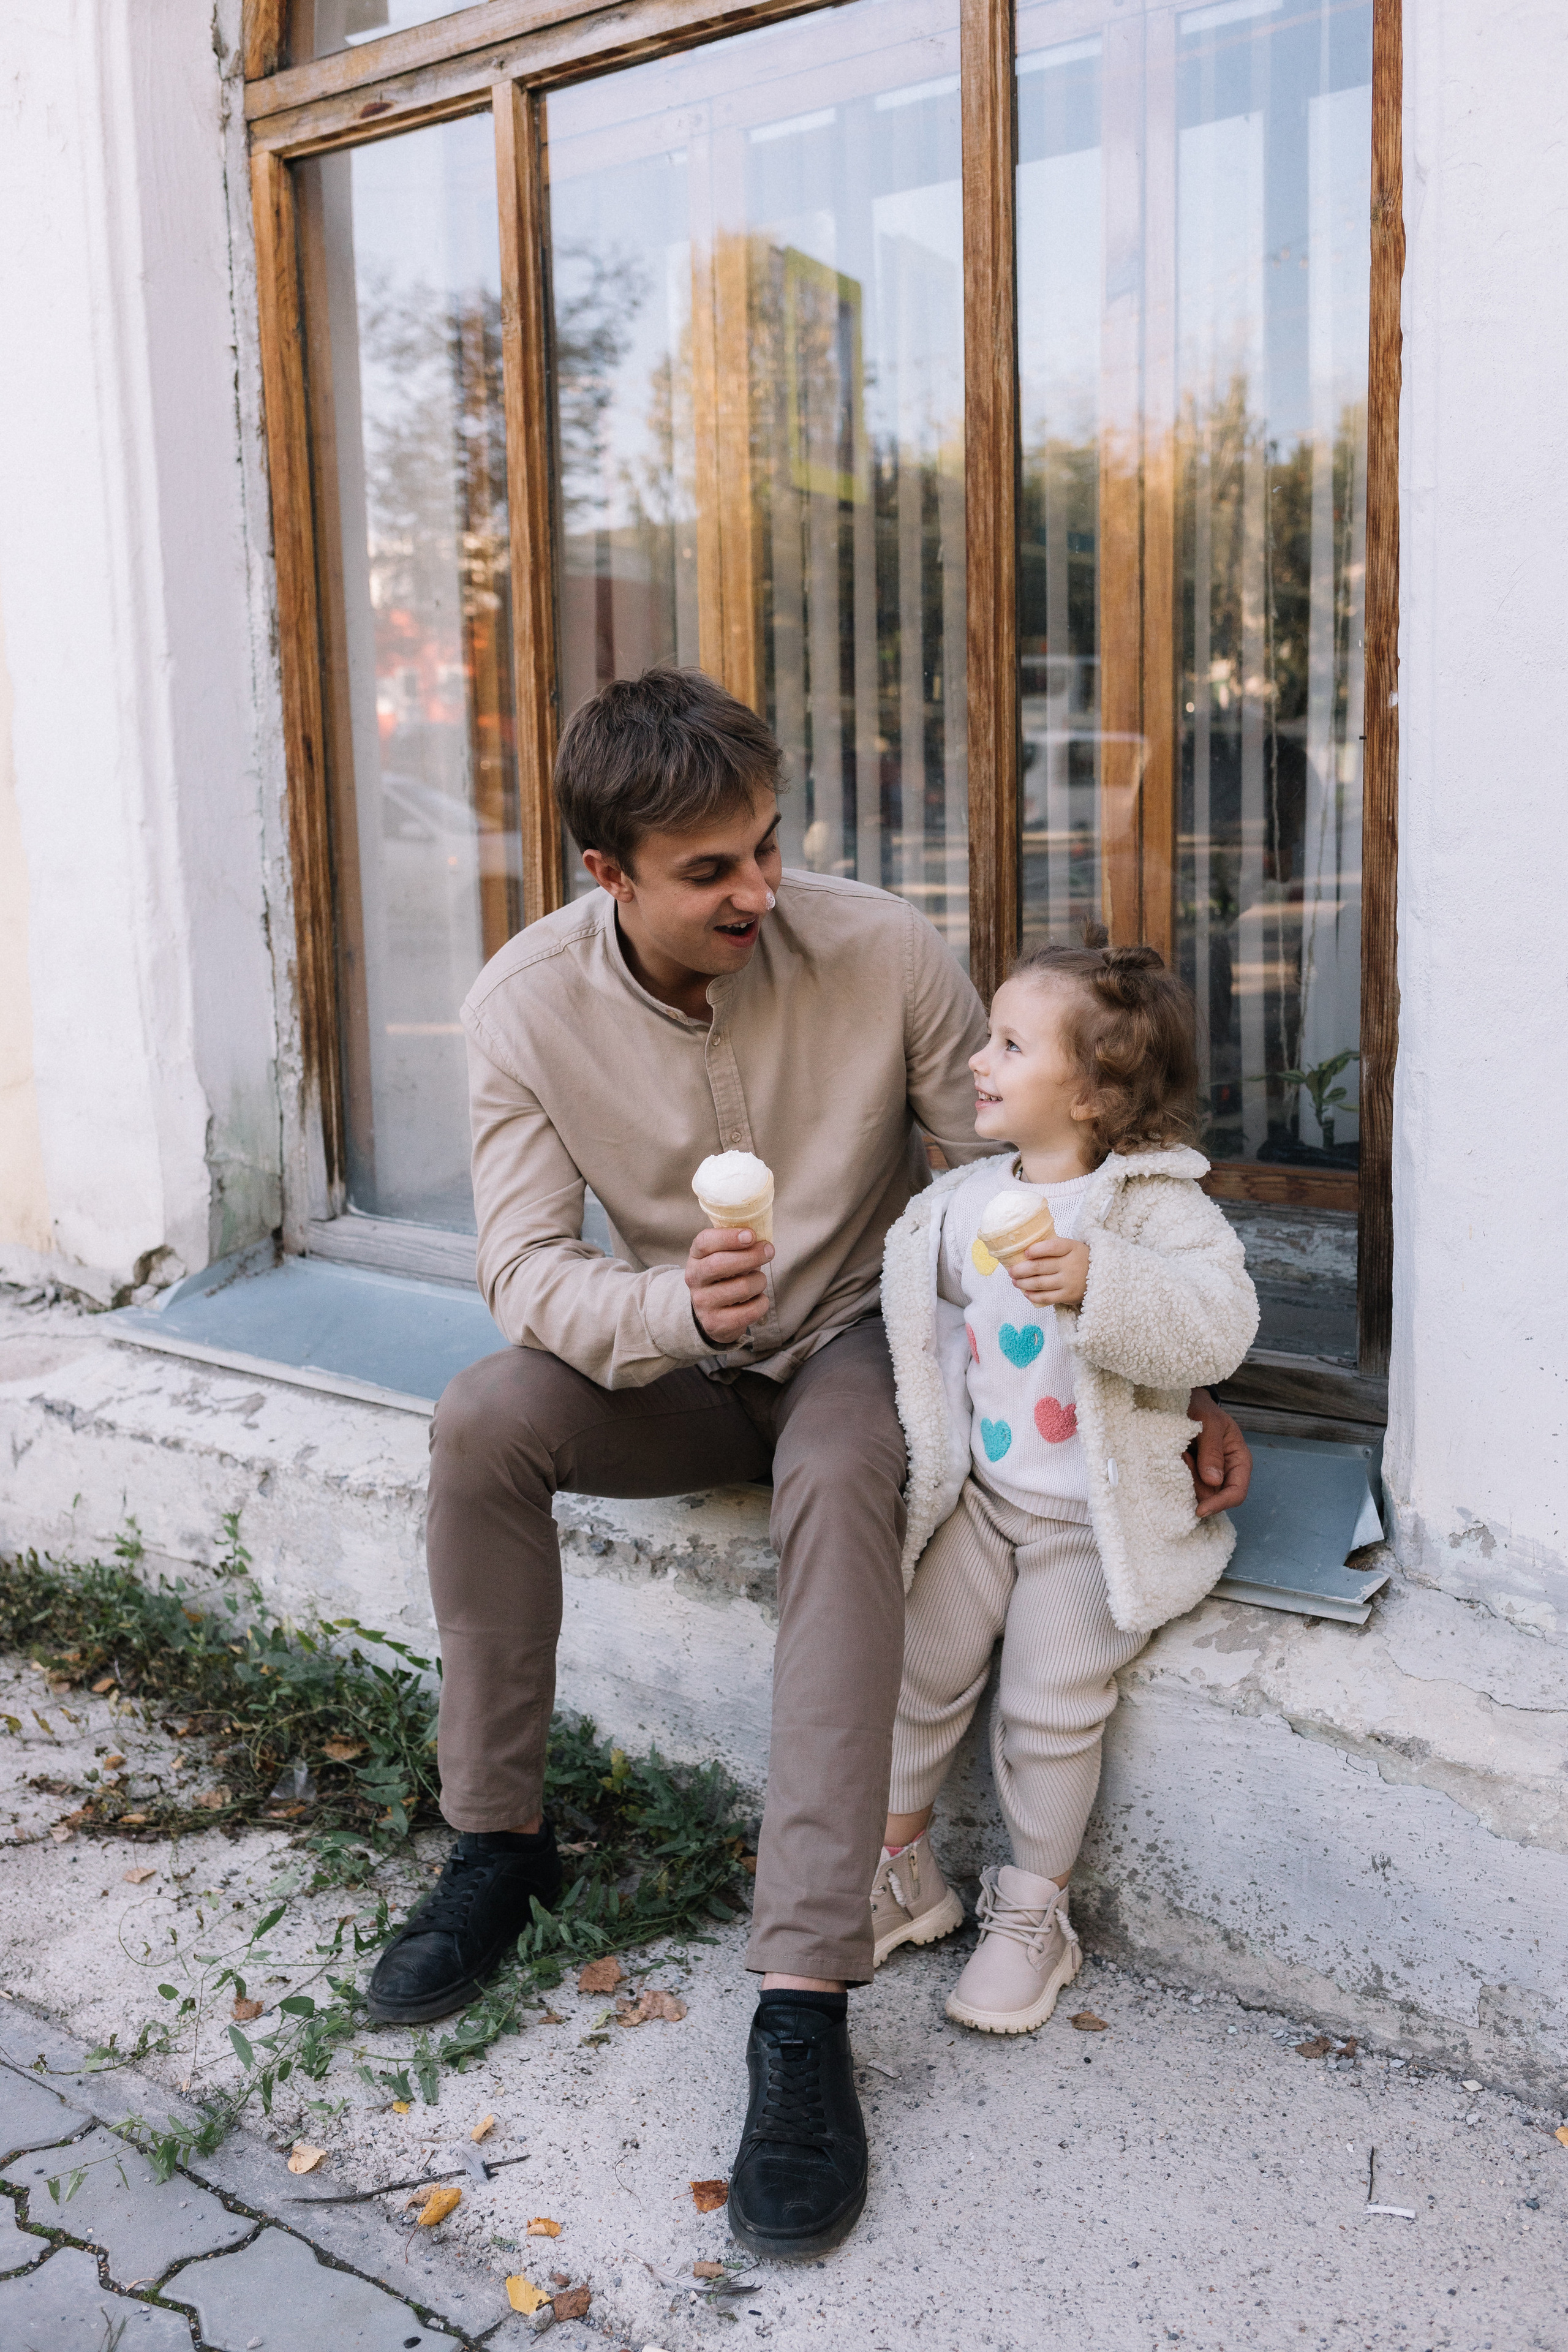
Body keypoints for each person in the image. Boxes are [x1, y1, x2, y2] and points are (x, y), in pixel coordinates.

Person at [364, 669, 1254, 2258]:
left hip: (864, 1343)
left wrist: (1142, 1377)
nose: (758, 892)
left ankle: (801, 1996)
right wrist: (663, 1304)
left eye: (770, 848)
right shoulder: (521, 1008)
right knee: (482, 1418)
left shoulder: (885, 953)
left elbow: (1029, 1190)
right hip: (675, 1362)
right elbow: (519, 1275)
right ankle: (499, 1842)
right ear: (607, 876)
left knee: (845, 1482)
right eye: (712, 871)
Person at [870, 937, 1260, 2034]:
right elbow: (912, 1310)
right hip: (985, 1500)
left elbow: (1220, 1325)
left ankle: (1034, 1918)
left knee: (1051, 1709)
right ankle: (903, 1874)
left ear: (1092, 1094)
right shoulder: (963, 1203)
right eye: (987, 1038)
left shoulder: (1150, 1213)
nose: (978, 1060)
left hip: (1094, 1523)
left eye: (1008, 1045)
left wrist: (1106, 1283)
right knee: (917, 1670)